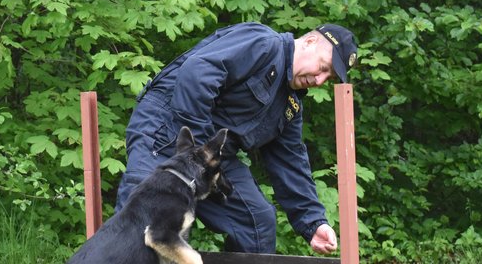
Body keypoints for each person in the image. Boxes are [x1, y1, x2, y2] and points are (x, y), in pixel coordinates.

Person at [114, 22, 358, 255]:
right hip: (169, 129)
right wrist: (201, 154)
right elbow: (197, 74)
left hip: (211, 157)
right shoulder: (263, 43)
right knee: (141, 220)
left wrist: (313, 222)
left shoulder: (290, 105)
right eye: (324, 68)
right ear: (311, 42)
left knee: (256, 221)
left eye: (329, 78)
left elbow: (291, 162)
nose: (319, 80)